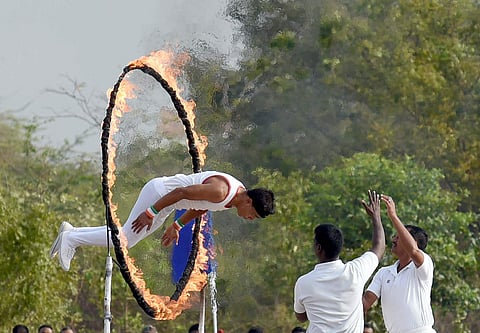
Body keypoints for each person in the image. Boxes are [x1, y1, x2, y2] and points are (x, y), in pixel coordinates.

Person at [50, 171, 275, 271]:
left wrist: (176, 225)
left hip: (167, 204)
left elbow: (200, 208)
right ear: (248, 201)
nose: (249, 218)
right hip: (161, 195)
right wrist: (151, 211)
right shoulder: (222, 191)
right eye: (252, 214)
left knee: (125, 235)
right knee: (126, 239)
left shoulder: (232, 199)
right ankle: (72, 239)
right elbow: (182, 192)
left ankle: (73, 232)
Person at [294, 190, 385, 332]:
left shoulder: (303, 282)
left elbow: (300, 317)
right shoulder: (355, 271)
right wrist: (376, 217)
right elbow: (378, 247)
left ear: (318, 248)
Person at [363, 194, 436, 333]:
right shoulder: (384, 273)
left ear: (413, 242)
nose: (394, 239)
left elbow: (414, 251)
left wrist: (393, 216)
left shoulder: (424, 266)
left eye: (399, 236)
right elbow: (365, 303)